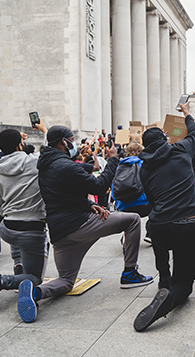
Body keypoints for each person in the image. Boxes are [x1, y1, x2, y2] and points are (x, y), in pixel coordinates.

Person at [16, 125, 152, 323]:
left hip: (60, 232)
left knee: (66, 282)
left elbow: (62, 194)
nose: (75, 145)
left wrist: (89, 204)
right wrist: (113, 159)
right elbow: (98, 185)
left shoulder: (46, 165)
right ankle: (130, 273)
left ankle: (35, 293)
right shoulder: (64, 165)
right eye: (72, 139)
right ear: (64, 142)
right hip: (79, 224)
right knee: (132, 220)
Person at [133, 99, 195, 332]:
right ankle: (170, 297)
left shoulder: (143, 168)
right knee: (184, 286)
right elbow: (194, 135)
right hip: (189, 224)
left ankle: (164, 278)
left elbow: (152, 201)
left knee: (157, 227)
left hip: (161, 226)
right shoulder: (181, 149)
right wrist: (187, 114)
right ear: (165, 139)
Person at [0, 128, 49, 313]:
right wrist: (43, 129)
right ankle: (2, 281)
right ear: (20, 145)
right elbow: (50, 150)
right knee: (35, 278)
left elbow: (0, 207)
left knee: (17, 236)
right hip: (32, 229)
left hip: (7, 228)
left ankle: (19, 263)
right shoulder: (35, 162)